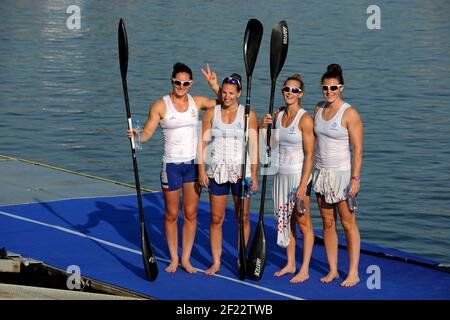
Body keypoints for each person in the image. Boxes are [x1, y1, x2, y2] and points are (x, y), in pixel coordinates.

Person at [128, 62, 220, 274]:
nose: (181, 86)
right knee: (171, 213)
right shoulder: (160, 105)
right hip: (170, 165)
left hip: (192, 165)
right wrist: (137, 136)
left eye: (185, 83)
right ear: (172, 81)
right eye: (177, 82)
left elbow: (225, 103)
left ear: (190, 83)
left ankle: (186, 259)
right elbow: (148, 133)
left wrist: (214, 85)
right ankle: (173, 258)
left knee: (190, 213)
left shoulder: (196, 102)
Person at [198, 73, 259, 276]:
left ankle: (241, 257)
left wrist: (255, 176)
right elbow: (203, 144)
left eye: (231, 93)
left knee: (241, 217)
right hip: (217, 172)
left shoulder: (248, 115)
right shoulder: (210, 113)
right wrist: (201, 170)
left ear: (239, 94)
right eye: (224, 92)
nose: (227, 96)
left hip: (242, 174)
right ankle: (216, 262)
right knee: (216, 218)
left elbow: (254, 147)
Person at [260, 74, 315, 283]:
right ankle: (291, 263)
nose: (289, 93)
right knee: (285, 221)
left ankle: (305, 269)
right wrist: (267, 128)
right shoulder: (278, 114)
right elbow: (271, 147)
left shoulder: (305, 119)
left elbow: (310, 155)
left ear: (300, 94)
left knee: (303, 223)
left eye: (294, 90)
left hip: (298, 178)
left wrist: (303, 184)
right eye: (287, 89)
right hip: (280, 175)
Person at [312, 64, 363, 287]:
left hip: (342, 175)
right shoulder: (318, 108)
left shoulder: (349, 113)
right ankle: (332, 269)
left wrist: (355, 179)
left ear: (341, 87)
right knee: (327, 222)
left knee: (348, 223)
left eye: (333, 87)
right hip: (321, 173)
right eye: (325, 88)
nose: (329, 91)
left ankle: (354, 272)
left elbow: (358, 149)